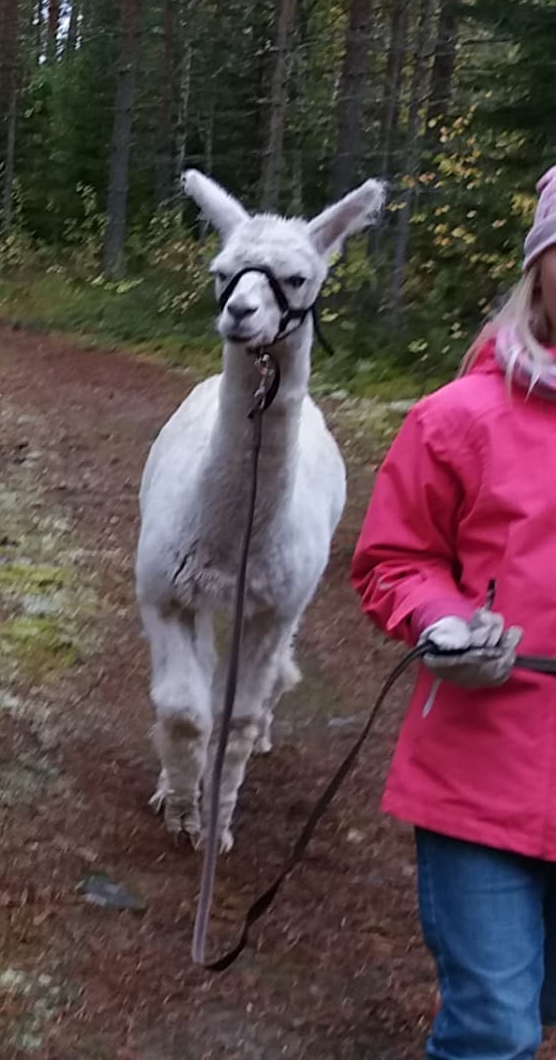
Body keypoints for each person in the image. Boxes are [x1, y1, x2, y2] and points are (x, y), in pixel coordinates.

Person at [351, 165, 556, 1060]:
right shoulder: (457, 418)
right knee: (495, 1028)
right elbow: (395, 558)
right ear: (541, 266)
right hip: (484, 769)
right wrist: (438, 620)